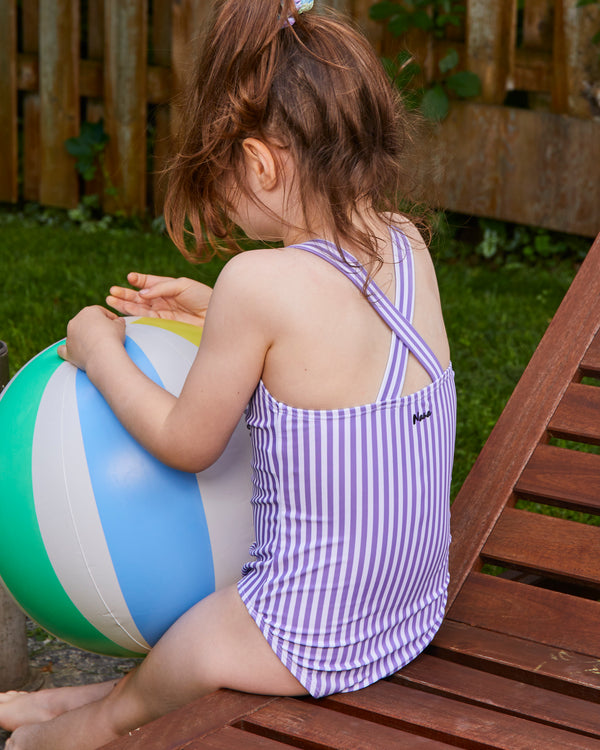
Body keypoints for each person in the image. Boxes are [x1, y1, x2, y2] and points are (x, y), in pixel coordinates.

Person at [0, 0, 456, 747]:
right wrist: (214, 312)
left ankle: (72, 730)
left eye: (223, 172)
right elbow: (339, 344)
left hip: (315, 633)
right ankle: (65, 702)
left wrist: (97, 348)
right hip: (406, 610)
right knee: (174, 659)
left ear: (259, 162)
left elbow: (187, 443)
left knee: (186, 647)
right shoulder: (403, 242)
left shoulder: (258, 283)